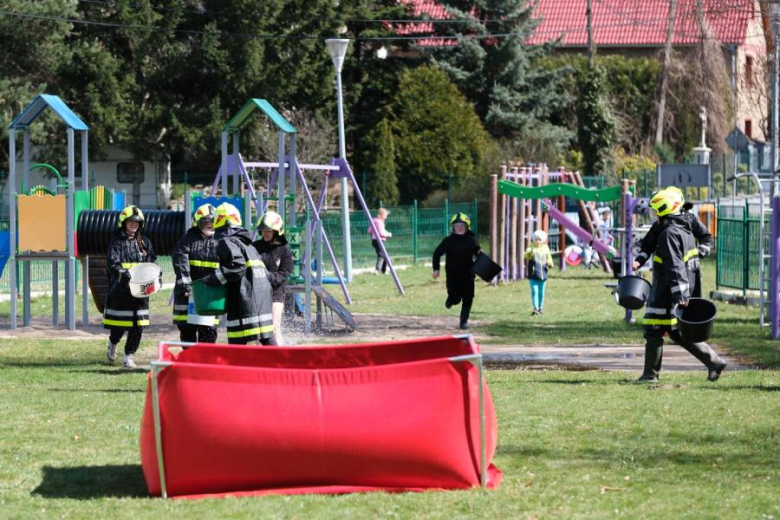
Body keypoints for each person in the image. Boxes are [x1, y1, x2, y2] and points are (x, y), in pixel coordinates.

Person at [637, 188, 727, 382]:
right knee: (677, 332)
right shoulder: (682, 227)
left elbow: (675, 267)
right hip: (680, 288)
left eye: (656, 211)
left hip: (667, 290)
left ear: (665, 211)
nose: (653, 215)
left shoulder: (668, 234)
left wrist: (680, 295)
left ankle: (650, 376)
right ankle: (714, 361)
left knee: (653, 328)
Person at [203, 203, 276, 345]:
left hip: (245, 298)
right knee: (266, 337)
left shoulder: (226, 241)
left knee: (237, 342)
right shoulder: (247, 243)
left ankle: (238, 367)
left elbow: (238, 266)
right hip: (261, 296)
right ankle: (281, 366)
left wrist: (212, 279)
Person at [633, 186, 712, 298]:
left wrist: (699, 252)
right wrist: (639, 260)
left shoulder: (691, 220)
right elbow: (647, 244)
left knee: (687, 303)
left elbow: (707, 238)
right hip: (665, 273)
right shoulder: (659, 225)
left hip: (689, 271)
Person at [104, 205, 158, 369]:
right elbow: (112, 263)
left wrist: (157, 276)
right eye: (131, 221)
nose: (134, 224)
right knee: (119, 325)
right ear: (124, 223)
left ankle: (129, 356)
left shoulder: (144, 242)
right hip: (121, 290)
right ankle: (113, 343)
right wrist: (123, 273)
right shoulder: (117, 242)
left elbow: (152, 262)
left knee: (138, 326)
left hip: (140, 291)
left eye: (137, 222)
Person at [171, 203, 219, 345]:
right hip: (188, 294)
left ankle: (203, 363)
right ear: (198, 223)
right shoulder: (187, 240)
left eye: (213, 221)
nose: (210, 224)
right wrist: (186, 285)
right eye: (206, 221)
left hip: (210, 294)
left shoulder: (221, 240)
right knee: (187, 329)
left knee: (209, 330)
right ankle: (189, 361)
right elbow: (180, 262)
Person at [432, 212, 481, 330]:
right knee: (455, 298)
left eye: (462, 224)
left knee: (468, 297)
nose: (459, 226)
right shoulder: (448, 241)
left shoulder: (472, 240)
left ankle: (463, 322)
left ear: (466, 226)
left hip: (468, 274)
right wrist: (436, 269)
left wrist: (481, 260)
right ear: (453, 226)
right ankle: (451, 299)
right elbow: (437, 254)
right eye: (457, 224)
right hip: (453, 275)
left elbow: (478, 254)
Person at [253, 210, 293, 346]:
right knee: (258, 331)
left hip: (276, 292)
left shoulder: (284, 250)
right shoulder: (254, 247)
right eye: (263, 230)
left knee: (274, 328)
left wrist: (267, 277)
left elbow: (285, 272)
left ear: (277, 231)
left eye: (269, 230)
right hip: (258, 292)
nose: (265, 233)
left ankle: (280, 360)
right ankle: (261, 361)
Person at [524, 230, 554, 316]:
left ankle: (540, 307)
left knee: (541, 292)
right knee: (534, 291)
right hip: (533, 274)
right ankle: (535, 308)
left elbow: (549, 258)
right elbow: (526, 255)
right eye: (536, 239)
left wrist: (550, 263)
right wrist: (530, 253)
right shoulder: (531, 247)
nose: (537, 241)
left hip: (543, 274)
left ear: (543, 240)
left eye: (540, 239)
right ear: (533, 239)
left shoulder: (545, 248)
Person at [368, 207, 392, 274]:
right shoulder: (380, 223)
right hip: (379, 241)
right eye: (385, 216)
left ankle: (383, 270)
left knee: (384, 254)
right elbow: (381, 233)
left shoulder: (374, 221)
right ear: (381, 215)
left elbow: (369, 230)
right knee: (381, 255)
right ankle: (377, 270)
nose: (386, 217)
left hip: (374, 240)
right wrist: (388, 234)